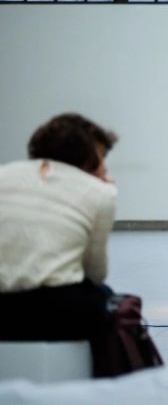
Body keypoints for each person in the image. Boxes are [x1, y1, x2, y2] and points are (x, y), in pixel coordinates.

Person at [0, 114, 117, 358]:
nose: (105, 167)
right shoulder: (100, 193)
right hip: (55, 311)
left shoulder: (4, 173)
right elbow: (95, 272)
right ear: (86, 157)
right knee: (106, 297)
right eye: (102, 157)